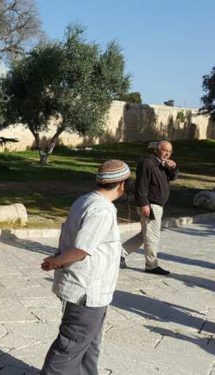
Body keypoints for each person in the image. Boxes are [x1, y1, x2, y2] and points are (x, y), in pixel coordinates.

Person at [40, 160, 131, 375]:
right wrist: (56, 261)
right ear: (122, 185)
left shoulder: (84, 200)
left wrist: (57, 258)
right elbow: (81, 249)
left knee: (89, 345)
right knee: (70, 347)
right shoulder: (102, 210)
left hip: (94, 291)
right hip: (87, 290)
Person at [121, 140, 177, 275]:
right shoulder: (148, 163)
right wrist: (143, 204)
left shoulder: (162, 164)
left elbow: (173, 177)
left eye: (169, 152)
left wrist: (173, 168)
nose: (167, 154)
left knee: (144, 235)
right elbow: (141, 185)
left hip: (157, 205)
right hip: (150, 205)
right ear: (157, 149)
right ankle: (151, 265)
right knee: (152, 236)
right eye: (165, 150)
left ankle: (118, 253)